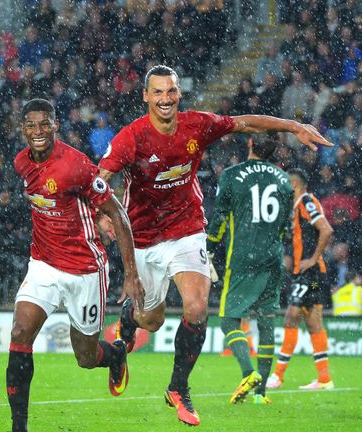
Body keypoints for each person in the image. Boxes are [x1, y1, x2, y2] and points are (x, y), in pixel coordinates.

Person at [97, 65, 331, 426]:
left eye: (171, 91)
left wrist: (294, 126)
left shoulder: (197, 125)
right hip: (143, 237)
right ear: (145, 96)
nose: (165, 98)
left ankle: (178, 388)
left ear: (179, 94)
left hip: (187, 229)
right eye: (157, 92)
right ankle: (128, 326)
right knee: (152, 319)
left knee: (196, 306)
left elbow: (245, 123)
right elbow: (101, 178)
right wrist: (102, 214)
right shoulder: (131, 138)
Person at [7, 99, 143, 432]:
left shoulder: (75, 165)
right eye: (31, 125)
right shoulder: (21, 163)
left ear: (55, 125)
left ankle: (113, 355)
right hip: (43, 264)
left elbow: (118, 213)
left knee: (85, 357)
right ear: (23, 129)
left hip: (84, 269)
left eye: (44, 124)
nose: (38, 132)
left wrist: (131, 274)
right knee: (20, 333)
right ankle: (18, 427)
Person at [206, 138, 293, 405]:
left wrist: (209, 248)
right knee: (267, 321)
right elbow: (283, 226)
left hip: (243, 257)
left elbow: (220, 217)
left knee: (229, 320)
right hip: (273, 257)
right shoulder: (284, 179)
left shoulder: (232, 175)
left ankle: (248, 372)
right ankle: (261, 394)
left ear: (252, 143)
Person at [266, 168, 335, 390]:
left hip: (311, 274)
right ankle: (324, 378)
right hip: (309, 275)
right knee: (313, 322)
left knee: (291, 316)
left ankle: (277, 376)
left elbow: (326, 230)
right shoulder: (295, 206)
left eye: (286, 183)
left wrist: (313, 259)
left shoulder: (306, 201)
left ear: (294, 185)